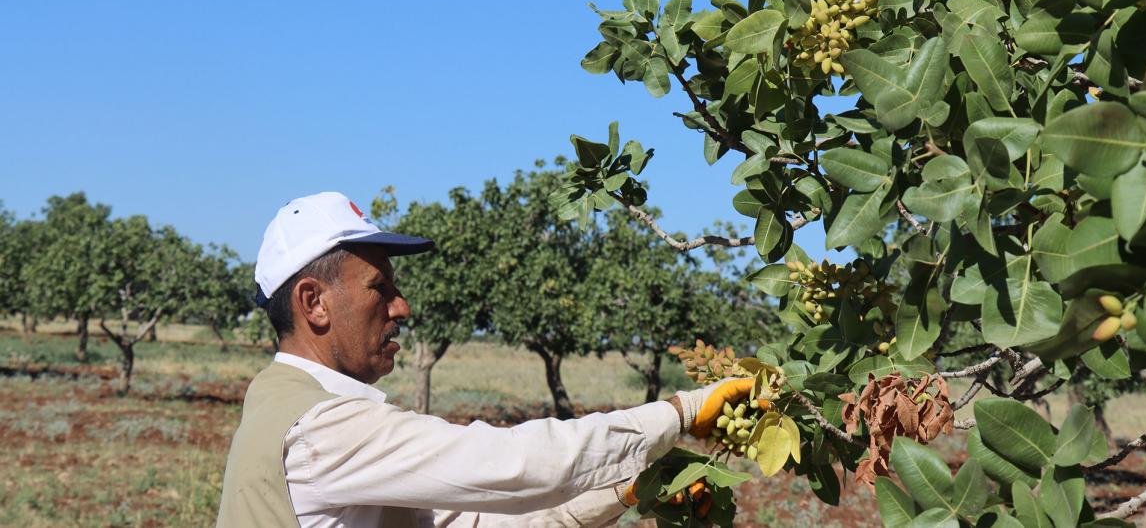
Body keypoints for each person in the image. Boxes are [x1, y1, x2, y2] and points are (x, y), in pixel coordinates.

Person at [216, 192, 749, 527]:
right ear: (314, 303)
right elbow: (514, 464)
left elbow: (474, 519)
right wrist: (679, 414)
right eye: (380, 288)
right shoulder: (322, 430)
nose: (401, 307)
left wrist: (626, 490)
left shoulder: (280, 403)